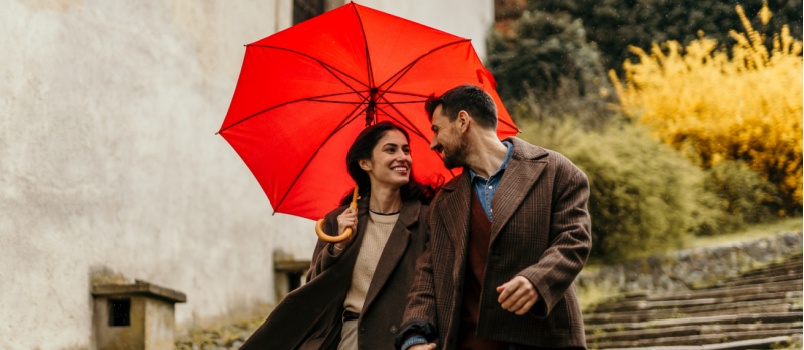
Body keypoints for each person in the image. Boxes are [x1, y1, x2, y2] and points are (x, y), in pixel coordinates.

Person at [395, 85, 592, 350]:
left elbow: (574, 241)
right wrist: (414, 336)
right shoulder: (444, 202)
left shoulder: (557, 171)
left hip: (547, 337)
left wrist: (537, 280)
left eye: (436, 129)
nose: (432, 143)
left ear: (463, 121)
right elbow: (430, 273)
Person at [240, 121, 437, 350]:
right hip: (352, 338)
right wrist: (339, 247)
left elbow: (432, 288)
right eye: (390, 150)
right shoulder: (339, 221)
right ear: (365, 163)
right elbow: (315, 287)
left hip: (405, 341)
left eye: (406, 150)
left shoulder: (426, 219)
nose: (403, 157)